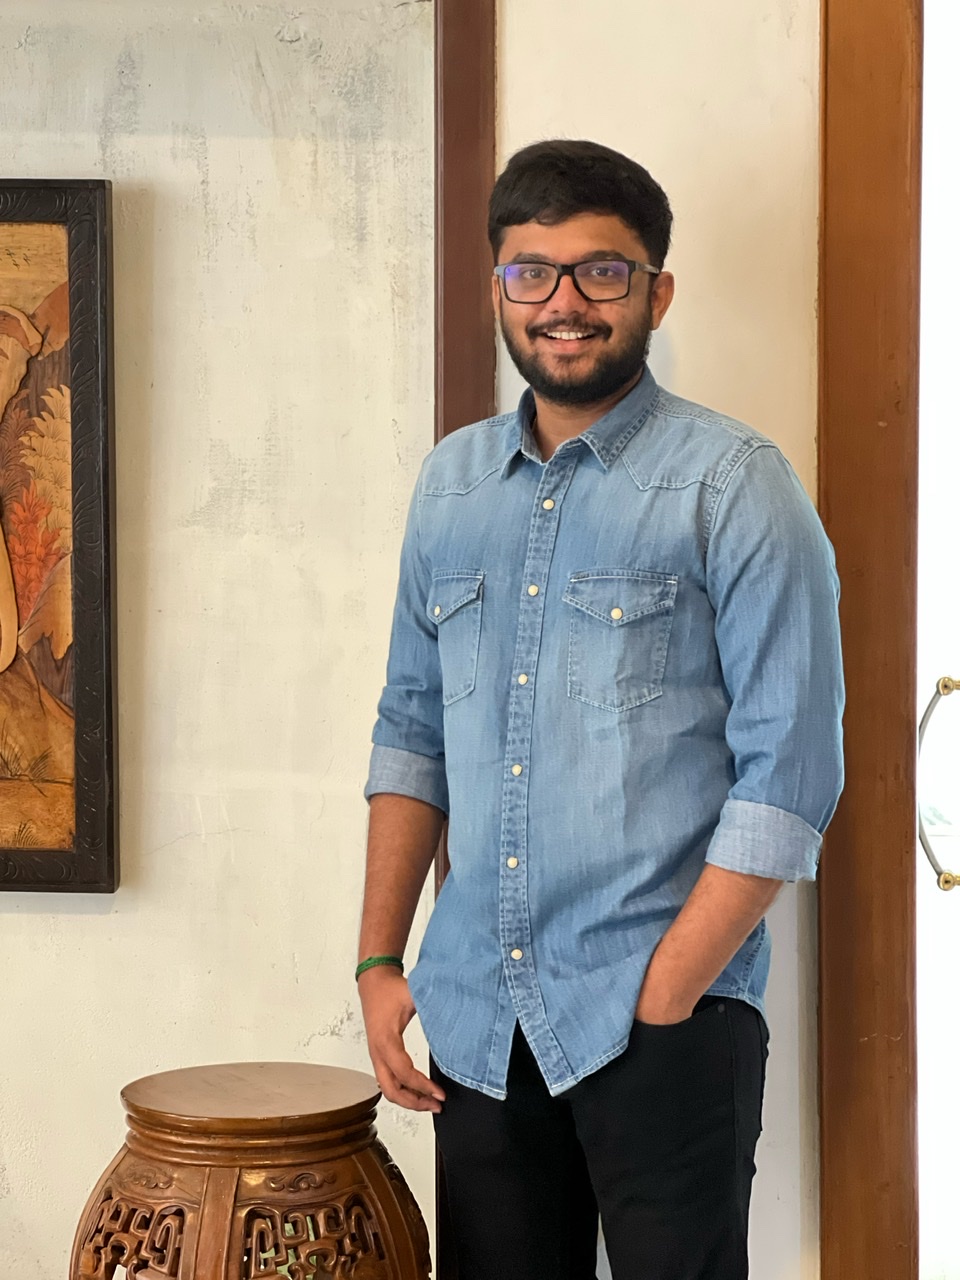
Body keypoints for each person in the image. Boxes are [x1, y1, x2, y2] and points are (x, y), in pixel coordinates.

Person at [357, 139, 844, 1280]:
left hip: (663, 1021)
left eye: (602, 271)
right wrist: (381, 957)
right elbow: (411, 733)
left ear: (656, 293)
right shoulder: (450, 485)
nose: (564, 302)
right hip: (478, 1022)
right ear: (499, 289)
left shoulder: (735, 483)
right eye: (532, 272)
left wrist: (667, 992)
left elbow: (791, 774)